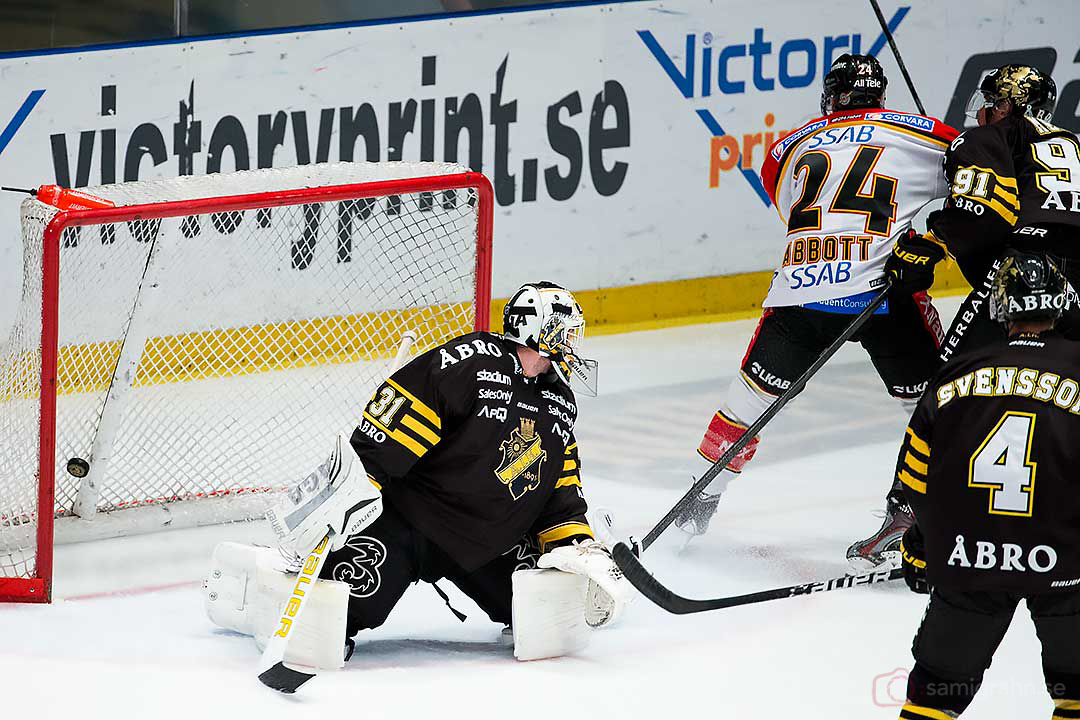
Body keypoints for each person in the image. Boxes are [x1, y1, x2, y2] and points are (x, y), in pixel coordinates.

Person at [205, 282, 626, 690]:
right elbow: (400, 408)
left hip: (486, 544)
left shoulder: (560, 400)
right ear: (543, 331)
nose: (574, 343)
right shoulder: (472, 364)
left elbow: (559, 485)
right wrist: (360, 478)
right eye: (569, 332)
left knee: (544, 613)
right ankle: (266, 582)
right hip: (410, 524)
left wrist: (574, 543)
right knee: (330, 619)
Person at [674, 53, 958, 572]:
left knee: (746, 405)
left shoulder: (792, 144)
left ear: (830, 98)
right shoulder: (928, 134)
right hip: (883, 294)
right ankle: (916, 510)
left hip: (802, 293)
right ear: (880, 97)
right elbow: (976, 181)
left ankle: (697, 503)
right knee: (935, 403)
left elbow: (786, 201)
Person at [895, 252, 1080, 719]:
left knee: (936, 692)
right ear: (1060, 305)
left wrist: (921, 545)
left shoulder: (956, 372)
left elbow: (916, 475)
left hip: (967, 558)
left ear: (1001, 308)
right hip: (1066, 564)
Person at [926, 64, 1080, 362]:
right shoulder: (1071, 143)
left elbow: (983, 215)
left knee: (949, 373)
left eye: (993, 103)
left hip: (1027, 262)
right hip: (1073, 267)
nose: (984, 113)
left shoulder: (999, 134)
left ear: (1009, 107)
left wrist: (939, 236)